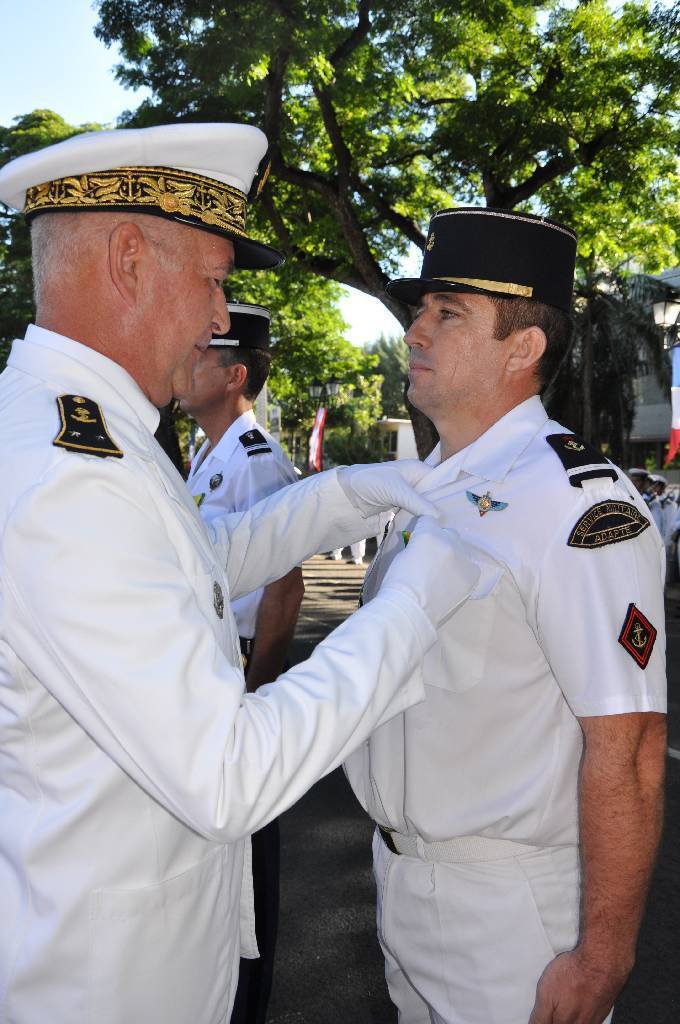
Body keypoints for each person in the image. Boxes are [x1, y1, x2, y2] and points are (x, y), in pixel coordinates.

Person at [0, 125, 487, 1024]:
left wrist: (364, 488)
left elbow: (204, 564)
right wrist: (415, 602)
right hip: (109, 989)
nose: (222, 318)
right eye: (216, 280)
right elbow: (226, 775)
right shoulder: (70, 477)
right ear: (130, 259)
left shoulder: (88, 433)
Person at [344, 207, 667, 1024]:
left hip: (510, 915)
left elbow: (628, 747)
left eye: (447, 313)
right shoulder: (430, 487)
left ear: (523, 348)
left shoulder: (576, 503)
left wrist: (602, 959)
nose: (416, 329)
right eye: (421, 309)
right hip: (401, 880)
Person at [180, 301, 303, 1024]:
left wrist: (258, 690)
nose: (186, 361)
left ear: (233, 375)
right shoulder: (208, 454)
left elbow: (286, 581)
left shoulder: (256, 460)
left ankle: (244, 1007)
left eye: (203, 355)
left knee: (248, 867)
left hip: (244, 673)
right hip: (216, 672)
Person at [628, 467, 663, 535]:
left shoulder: (653, 502)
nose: (633, 484)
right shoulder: (629, 498)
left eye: (637, 481)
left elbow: (656, 528)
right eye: (631, 481)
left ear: (645, 483)